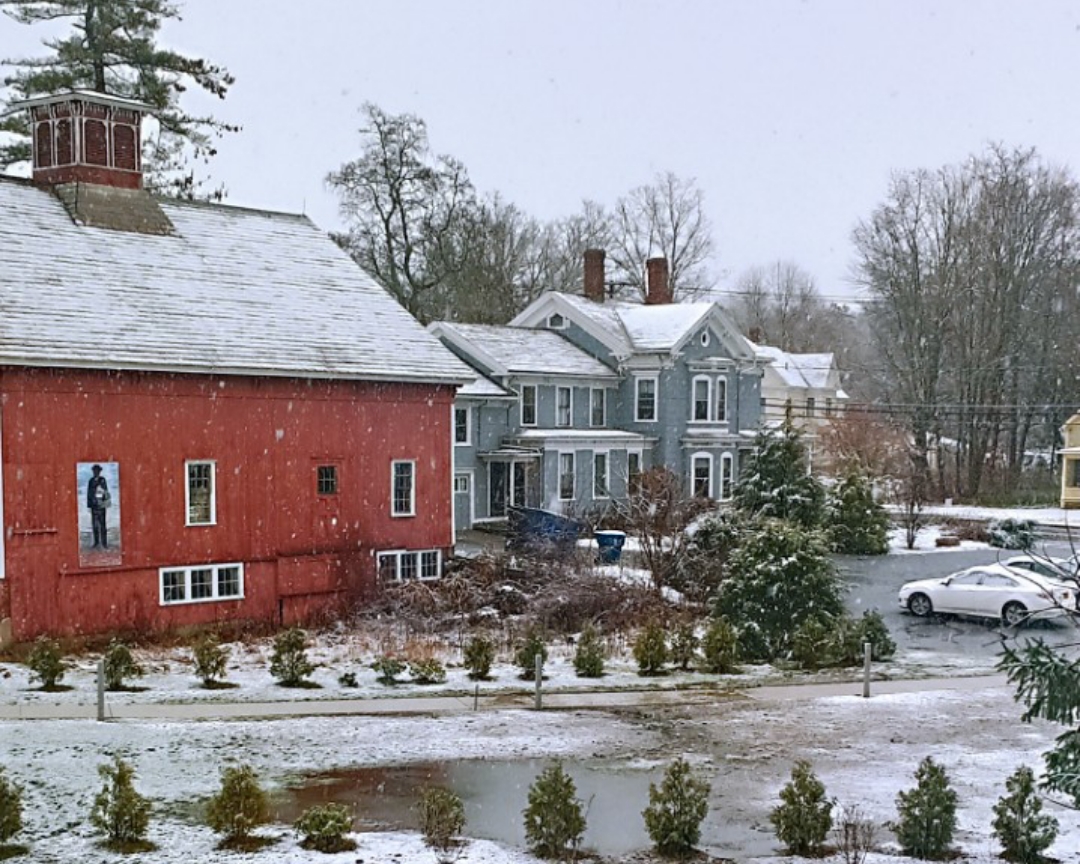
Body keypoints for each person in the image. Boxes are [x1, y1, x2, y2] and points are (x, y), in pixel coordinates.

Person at [86, 464, 110, 549]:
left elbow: (105, 492)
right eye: (94, 471)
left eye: (97, 471)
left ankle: (104, 543)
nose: (96, 472)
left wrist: (102, 501)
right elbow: (89, 493)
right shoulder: (91, 481)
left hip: (101, 506)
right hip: (94, 506)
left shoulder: (102, 480)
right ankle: (96, 542)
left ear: (99, 472)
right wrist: (90, 504)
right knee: (95, 525)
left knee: (102, 525)